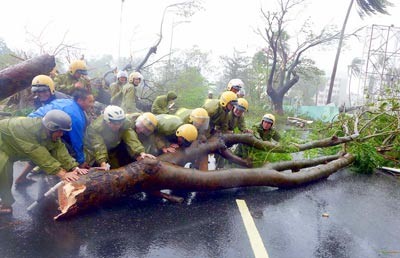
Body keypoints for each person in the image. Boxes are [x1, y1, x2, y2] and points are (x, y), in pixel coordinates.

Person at [0, 110, 88, 215]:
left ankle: (19, 182)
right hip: (2, 143)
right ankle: (6, 204)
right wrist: (62, 173)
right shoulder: (25, 128)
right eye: (60, 131)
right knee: (3, 170)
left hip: (14, 146)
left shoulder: (48, 131)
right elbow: (38, 154)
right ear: (50, 127)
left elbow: (58, 149)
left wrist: (73, 167)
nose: (61, 134)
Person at [28, 88, 95, 168]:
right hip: (40, 127)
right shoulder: (75, 117)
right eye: (90, 102)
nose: (92, 104)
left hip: (31, 121)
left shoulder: (67, 101)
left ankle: (24, 176)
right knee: (60, 148)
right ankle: (63, 172)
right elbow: (77, 141)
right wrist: (81, 161)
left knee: (41, 150)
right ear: (80, 100)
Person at [84, 106, 156, 169]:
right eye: (115, 124)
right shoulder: (95, 128)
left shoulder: (125, 123)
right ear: (107, 122)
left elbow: (131, 138)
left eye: (120, 123)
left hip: (112, 148)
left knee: (115, 168)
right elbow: (98, 146)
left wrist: (141, 152)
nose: (118, 126)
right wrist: (102, 163)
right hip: (91, 151)